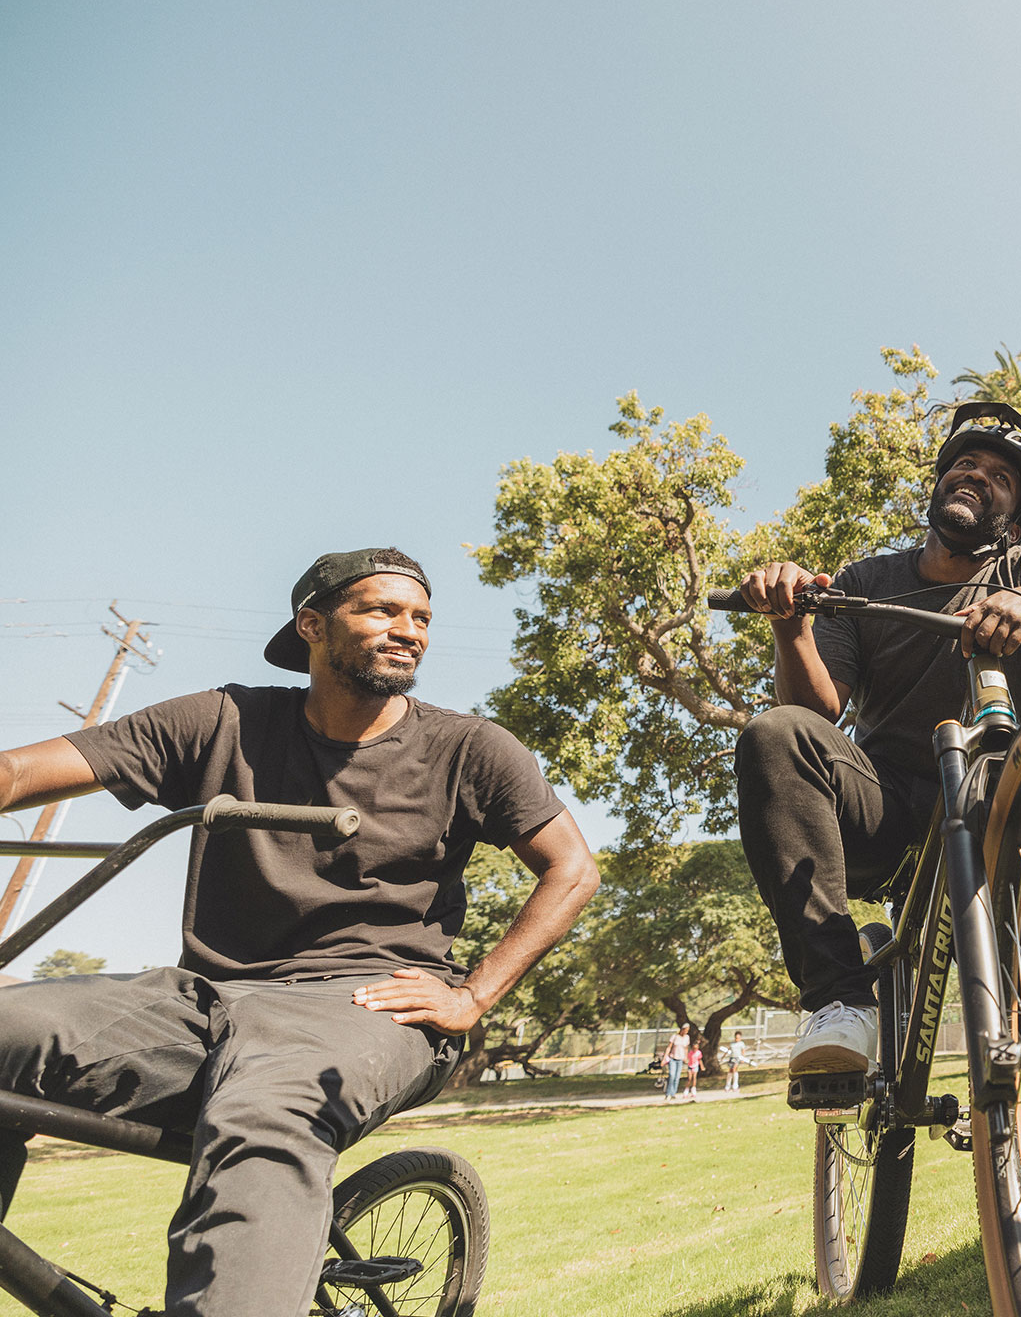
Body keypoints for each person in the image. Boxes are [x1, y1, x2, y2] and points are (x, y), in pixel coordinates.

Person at [0, 547, 598, 1316]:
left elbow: (572, 869)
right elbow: (19, 773)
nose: (408, 630)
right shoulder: (225, 720)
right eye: (381, 610)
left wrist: (473, 995)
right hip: (202, 996)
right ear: (311, 624)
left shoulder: (469, 749)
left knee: (268, 1112)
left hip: (366, 1003)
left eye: (420, 618)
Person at [734, 400, 1021, 1078]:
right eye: (965, 464)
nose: (976, 475)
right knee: (774, 733)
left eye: (1000, 476)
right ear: (939, 484)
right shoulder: (867, 581)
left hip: (997, 810)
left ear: (1018, 518)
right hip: (882, 808)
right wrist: (790, 625)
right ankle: (838, 1002)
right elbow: (814, 715)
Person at [663, 1023, 690, 1101]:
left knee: (677, 1077)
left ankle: (673, 1093)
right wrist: (665, 1058)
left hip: (680, 1059)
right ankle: (668, 1093)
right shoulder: (674, 1037)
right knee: (671, 1075)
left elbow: (686, 1048)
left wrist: (685, 1057)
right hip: (673, 1058)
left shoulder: (687, 1038)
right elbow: (669, 1047)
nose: (686, 1032)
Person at [725, 1030, 749, 1095]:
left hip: (737, 1058)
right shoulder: (732, 1043)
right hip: (732, 1057)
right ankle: (728, 1085)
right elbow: (728, 1050)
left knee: (734, 1069)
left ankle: (735, 1085)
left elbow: (743, 1051)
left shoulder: (741, 1044)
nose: (737, 1039)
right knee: (730, 1071)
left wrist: (743, 1058)